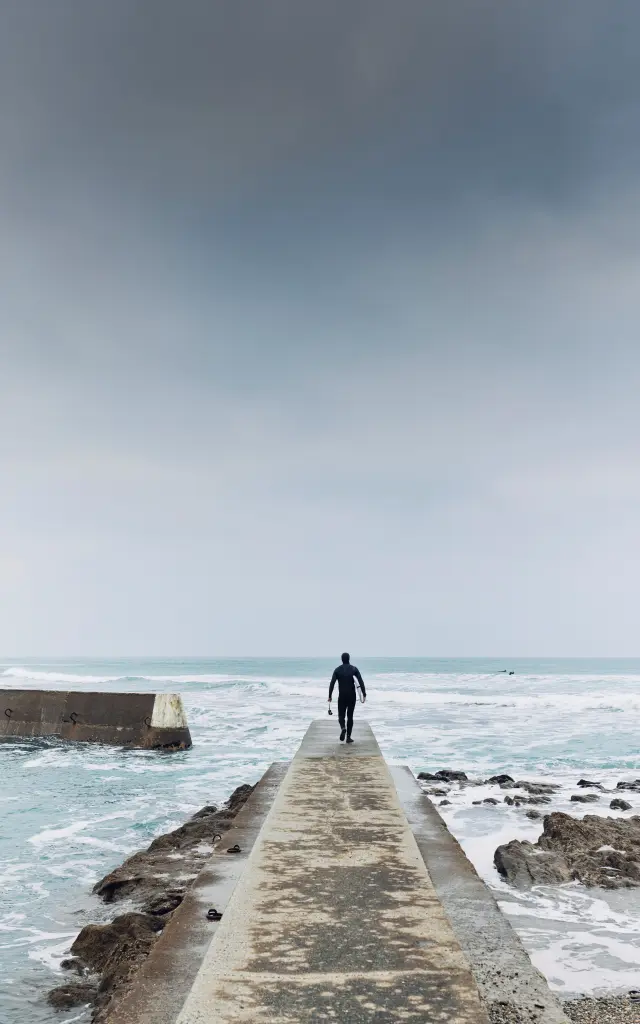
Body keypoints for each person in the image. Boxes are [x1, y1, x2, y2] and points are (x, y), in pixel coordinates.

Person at [328, 653, 366, 743]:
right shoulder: (354, 669)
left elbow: (332, 683)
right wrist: (364, 693)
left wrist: (330, 695)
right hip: (352, 696)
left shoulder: (337, 670)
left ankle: (343, 728)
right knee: (350, 716)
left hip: (342, 696)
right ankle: (348, 737)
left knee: (341, 716)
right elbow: (360, 682)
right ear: (349, 659)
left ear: (341, 659)